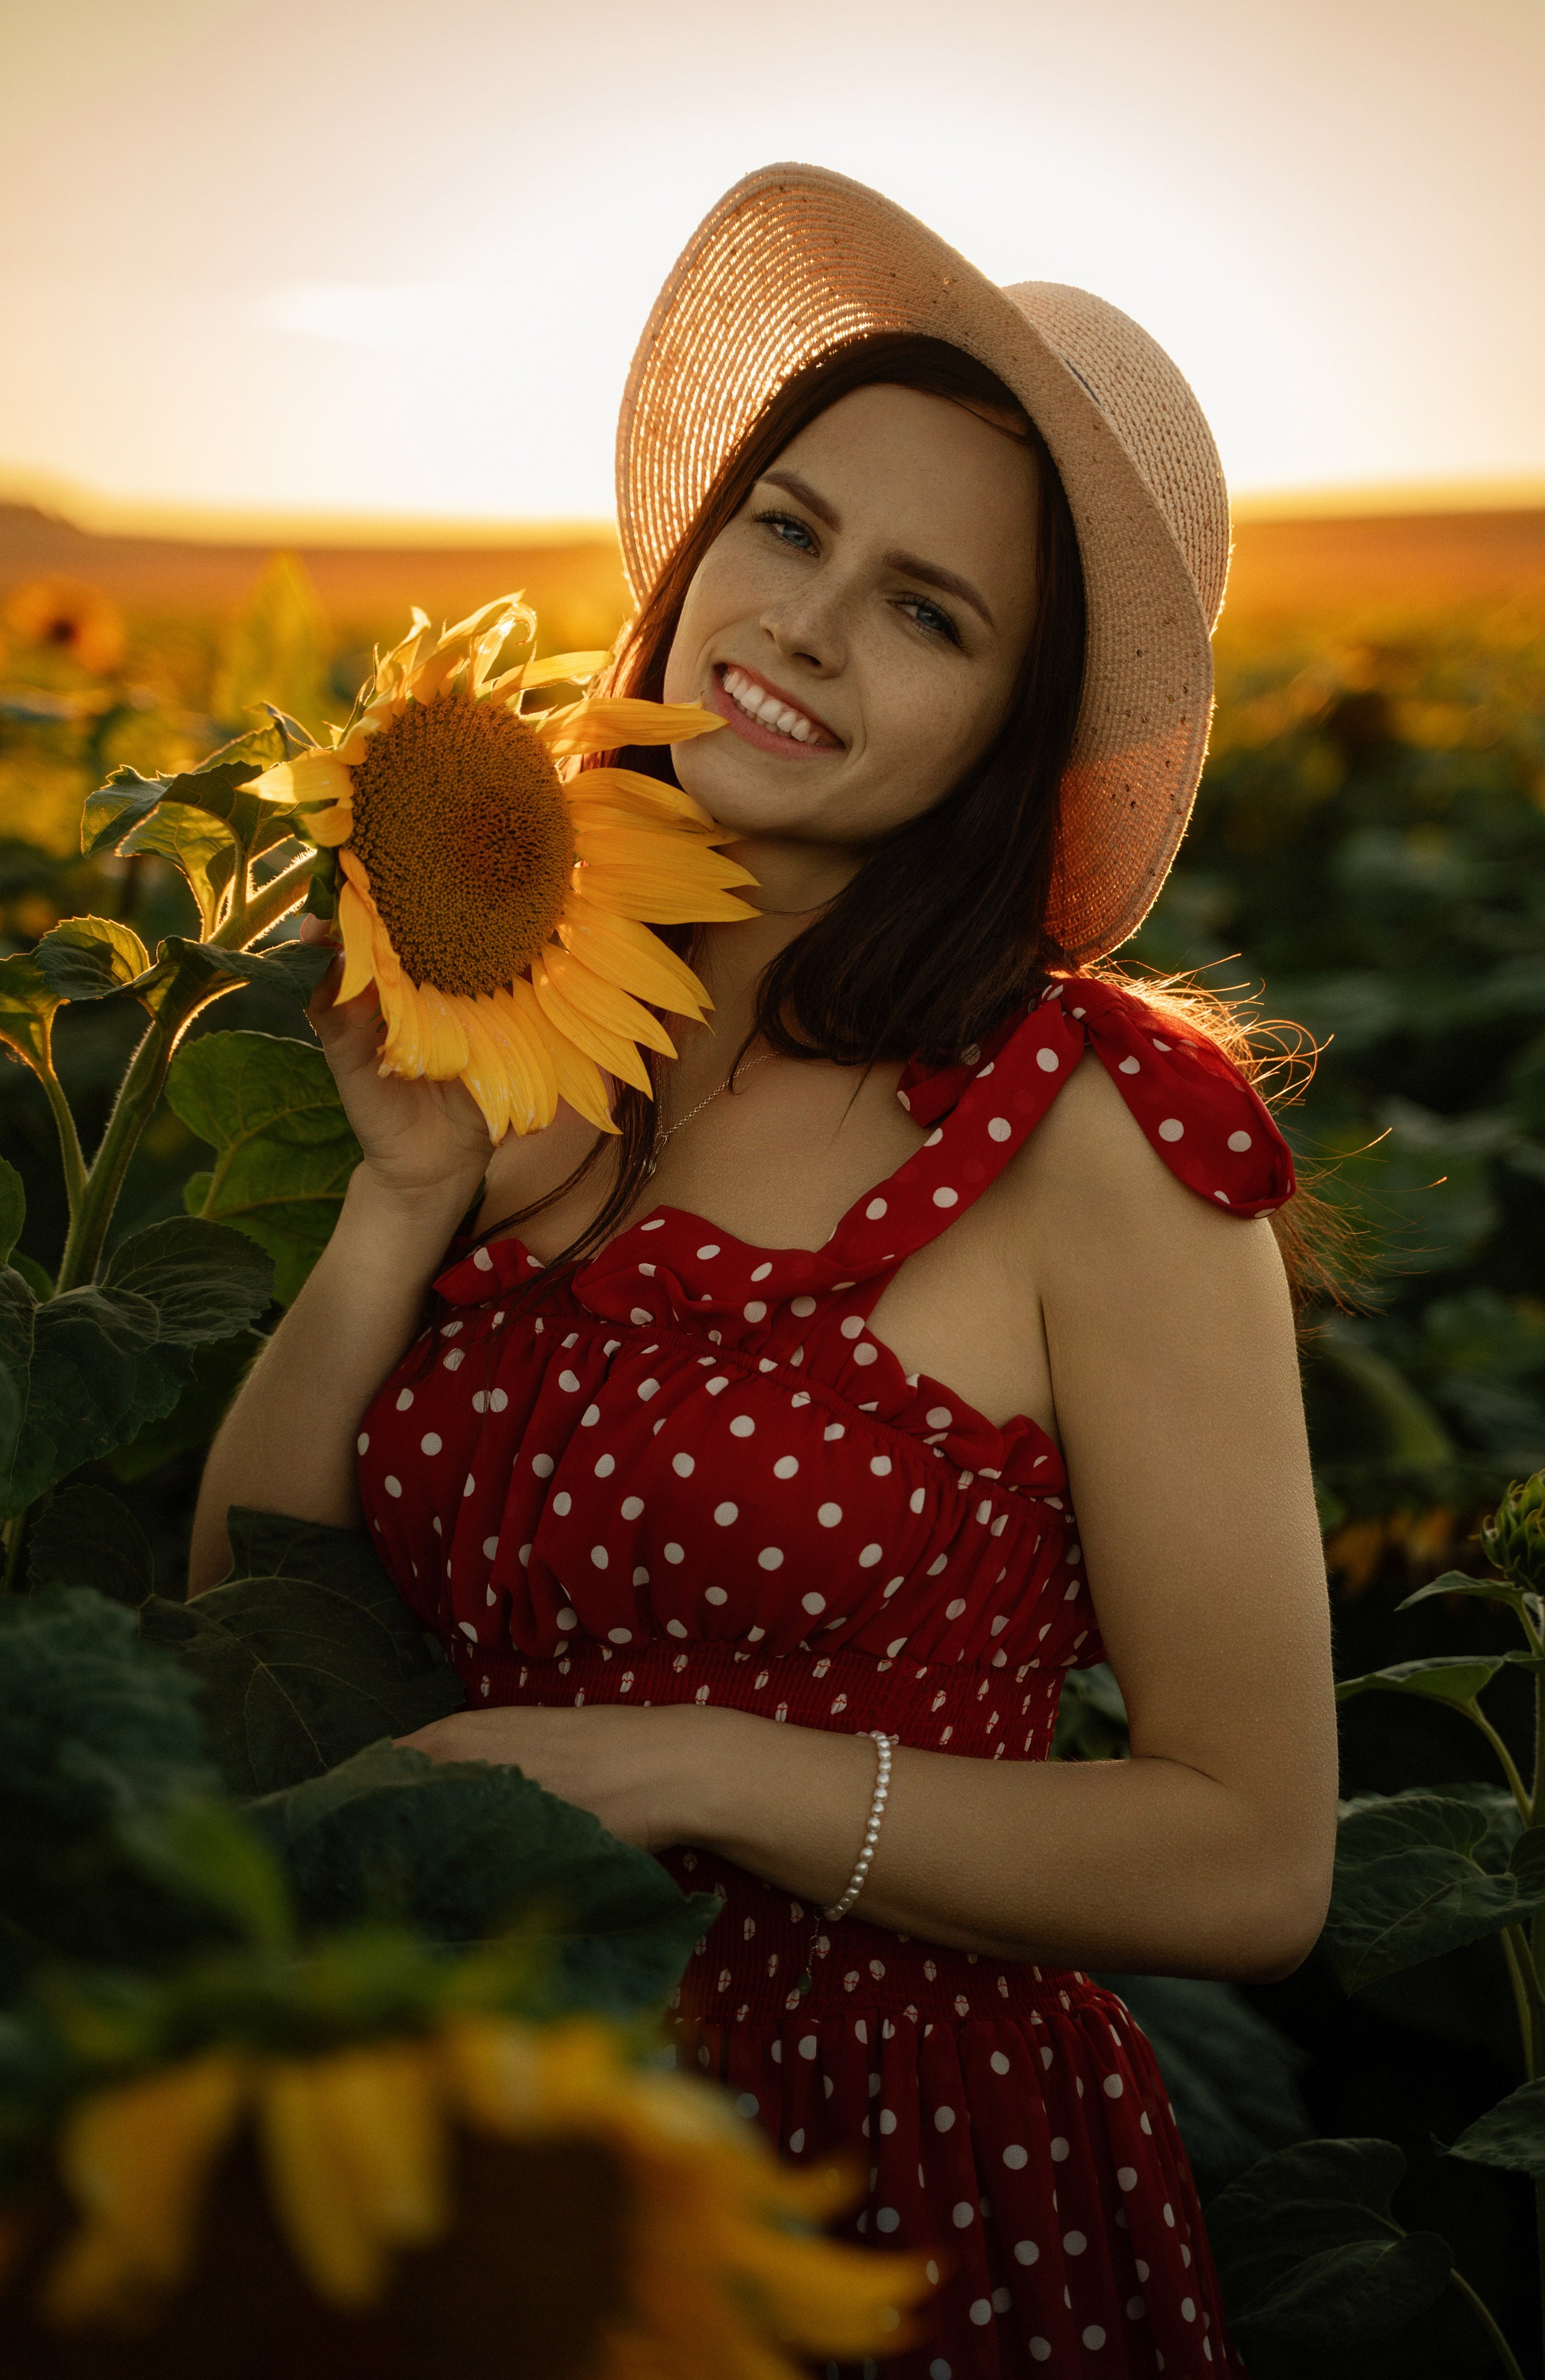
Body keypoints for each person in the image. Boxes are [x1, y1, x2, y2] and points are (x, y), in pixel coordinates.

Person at [193, 164, 1337, 2379]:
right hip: (462, 2131)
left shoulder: (1094, 1129)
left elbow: (1258, 1857)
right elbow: (261, 1612)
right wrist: (403, 1199)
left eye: (930, 611)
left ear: (1015, 725)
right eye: (791, 528)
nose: (807, 625)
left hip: (881, 2173)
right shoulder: (551, 1001)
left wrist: (688, 1770)